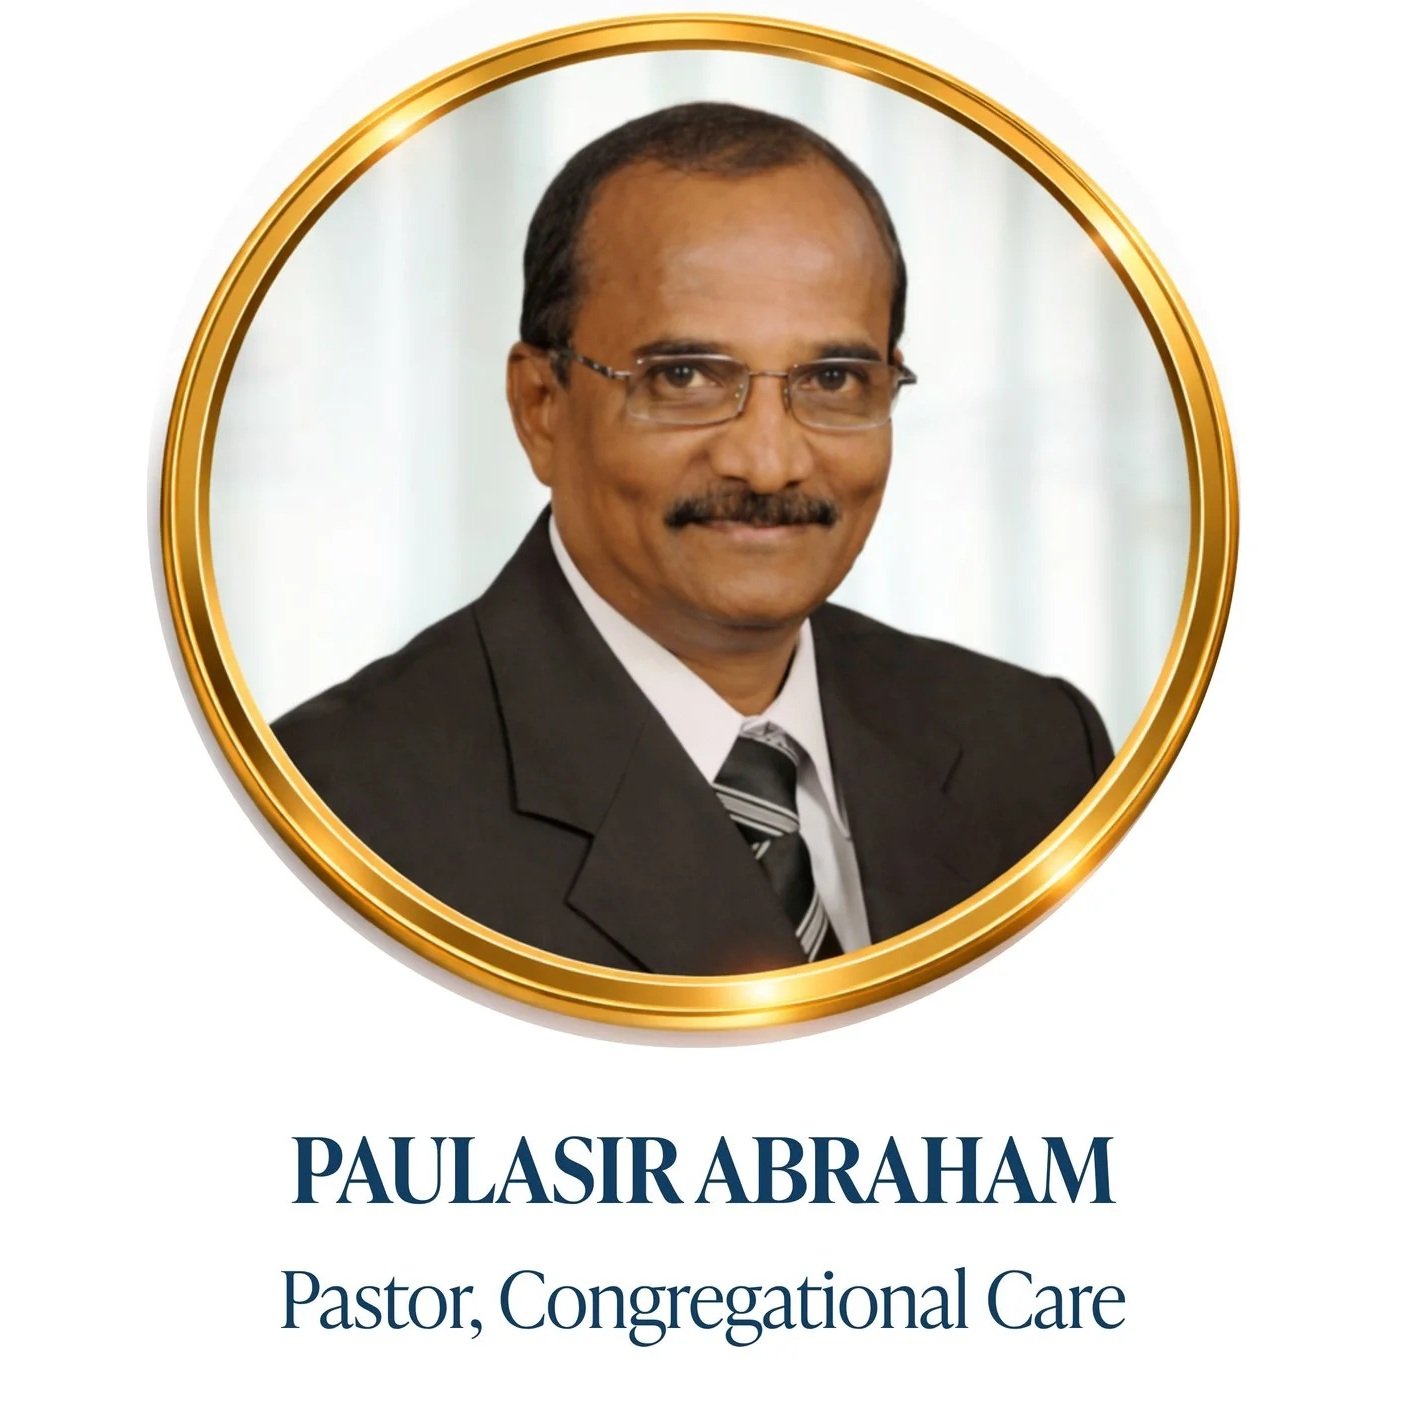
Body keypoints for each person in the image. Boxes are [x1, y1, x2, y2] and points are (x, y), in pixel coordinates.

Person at [274, 102, 1112, 976]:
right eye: (684, 377)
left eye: (833, 378)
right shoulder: (332, 812)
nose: (768, 462)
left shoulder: (1042, 755)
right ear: (542, 408)